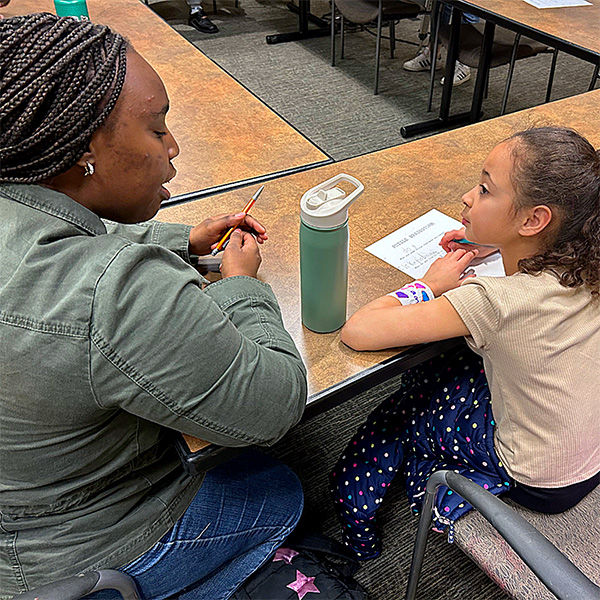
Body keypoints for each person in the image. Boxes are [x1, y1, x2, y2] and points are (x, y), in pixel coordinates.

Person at [0, 13, 307, 599]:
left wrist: (181, 241)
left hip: (19, 522)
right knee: (278, 486)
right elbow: (273, 405)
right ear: (83, 151)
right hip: (74, 559)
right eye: (157, 129)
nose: (175, 148)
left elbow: (63, 238)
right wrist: (242, 284)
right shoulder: (116, 293)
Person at [330, 126, 600, 559]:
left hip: (535, 479)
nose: (468, 199)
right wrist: (495, 243)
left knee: (408, 406)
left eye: (485, 190)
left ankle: (358, 531)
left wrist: (429, 284)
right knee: (457, 359)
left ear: (533, 221)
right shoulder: (588, 260)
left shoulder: (495, 301)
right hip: (587, 458)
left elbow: (359, 331)